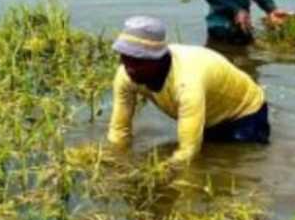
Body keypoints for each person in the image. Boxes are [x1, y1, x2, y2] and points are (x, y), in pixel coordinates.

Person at [107, 16, 270, 165]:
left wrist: (160, 172)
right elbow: (119, 130)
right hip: (209, 111)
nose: (130, 69)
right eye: (125, 59)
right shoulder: (126, 74)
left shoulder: (187, 82)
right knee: (210, 153)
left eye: (138, 62)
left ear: (156, 59)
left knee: (240, 162)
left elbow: (188, 151)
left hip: (245, 110)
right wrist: (116, 161)